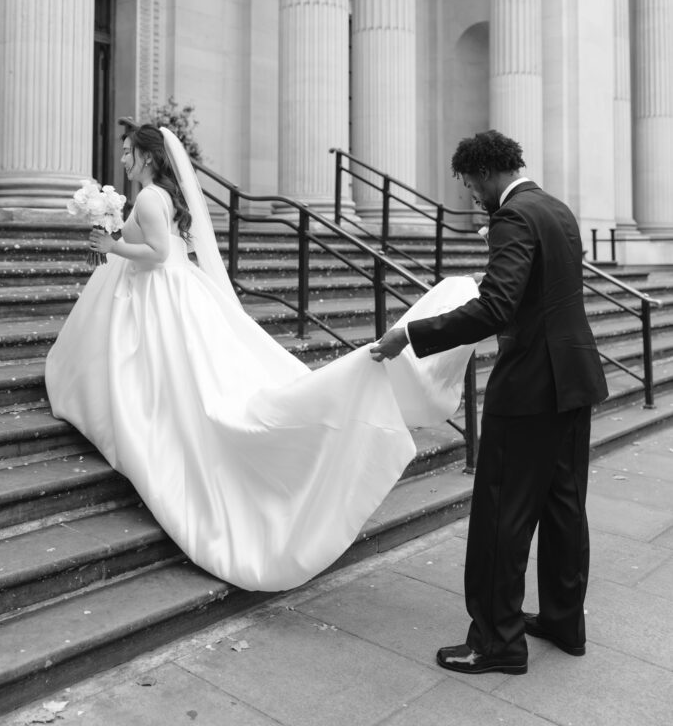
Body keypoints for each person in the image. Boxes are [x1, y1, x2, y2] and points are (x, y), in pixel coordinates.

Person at [45, 121, 477, 592]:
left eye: (129, 151)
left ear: (148, 157)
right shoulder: (161, 196)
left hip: (156, 292)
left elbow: (156, 252)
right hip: (173, 290)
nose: (123, 159)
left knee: (165, 377)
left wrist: (111, 244)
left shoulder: (150, 197)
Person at [371, 130, 608, 676]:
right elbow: (543, 287)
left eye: (467, 183)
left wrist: (411, 334)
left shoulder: (512, 218)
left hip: (529, 388)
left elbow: (497, 308)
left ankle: (498, 643)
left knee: (503, 514)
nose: (470, 195)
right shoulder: (556, 209)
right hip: (573, 379)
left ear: (481, 173)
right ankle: (564, 621)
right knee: (564, 506)